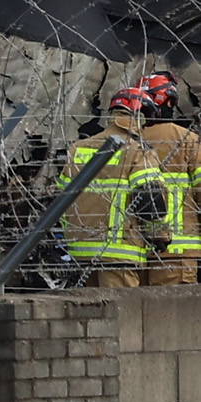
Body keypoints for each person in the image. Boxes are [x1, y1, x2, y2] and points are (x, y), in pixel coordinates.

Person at [65, 102, 149, 289]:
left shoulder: (77, 148)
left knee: (91, 314)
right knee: (123, 313)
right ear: (139, 117)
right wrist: (160, 236)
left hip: (81, 250)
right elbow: (150, 198)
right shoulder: (137, 150)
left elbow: (62, 199)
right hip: (120, 253)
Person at [143, 95, 201, 290]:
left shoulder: (129, 141)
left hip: (133, 251)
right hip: (178, 252)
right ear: (169, 103)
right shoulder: (189, 140)